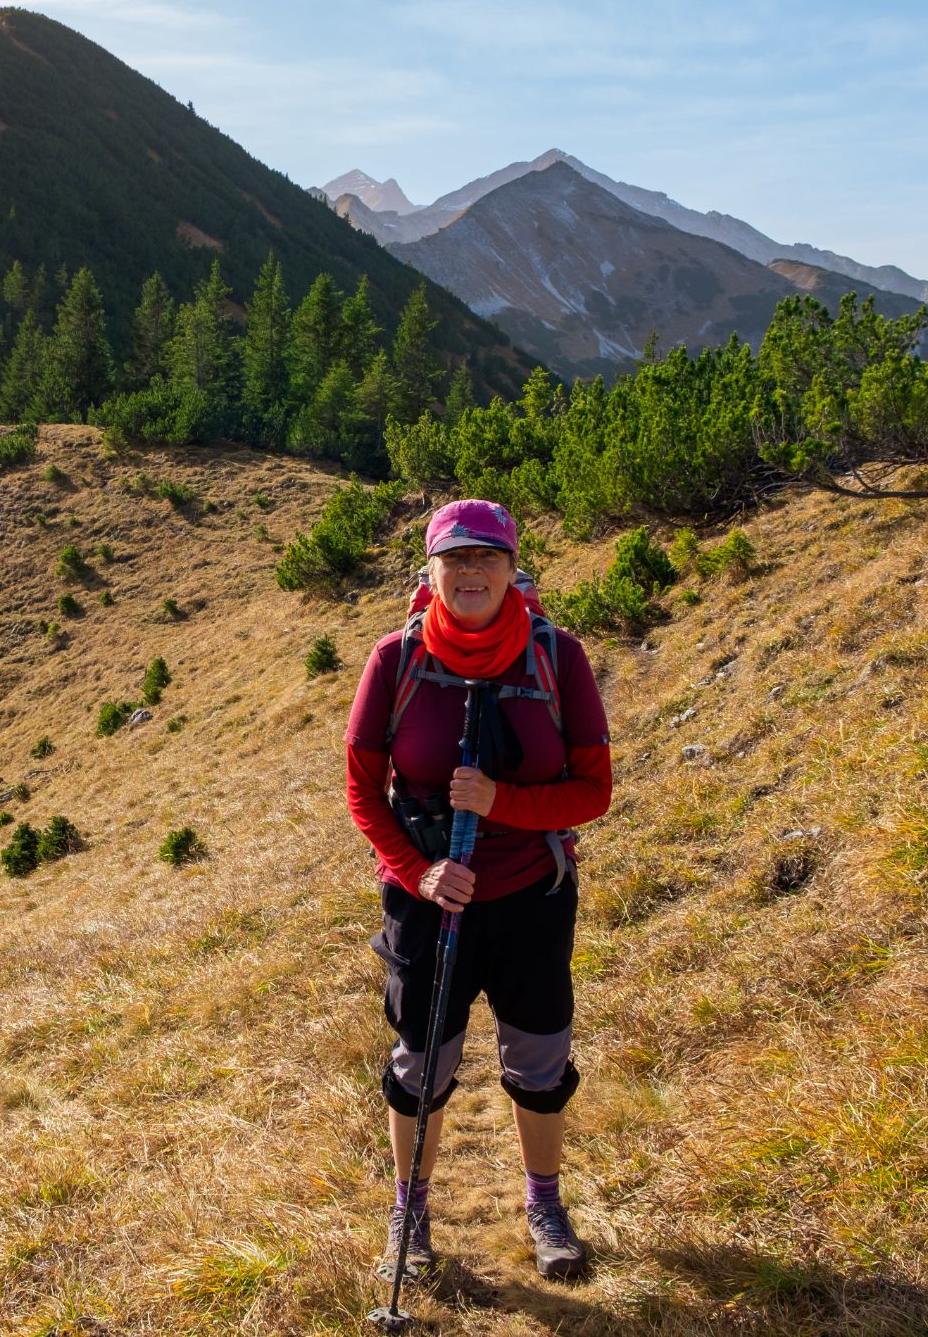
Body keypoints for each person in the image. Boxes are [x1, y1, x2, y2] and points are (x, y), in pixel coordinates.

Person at [343, 498, 613, 1283]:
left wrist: (503, 804)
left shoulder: (557, 658)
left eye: (485, 556)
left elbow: (592, 790)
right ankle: (411, 1210)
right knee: (420, 1063)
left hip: (531, 896)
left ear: (512, 566)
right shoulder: (393, 661)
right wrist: (417, 871)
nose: (470, 571)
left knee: (539, 1058)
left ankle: (545, 1204)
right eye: (453, 558)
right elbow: (363, 790)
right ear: (429, 570)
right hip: (429, 902)